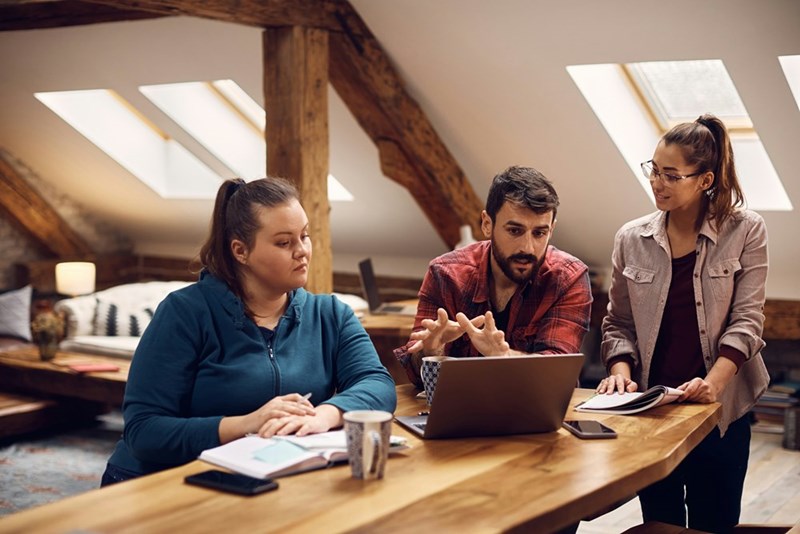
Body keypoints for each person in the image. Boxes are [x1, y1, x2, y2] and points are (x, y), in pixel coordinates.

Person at [101, 177, 397, 485]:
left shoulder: (331, 314)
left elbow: (377, 383)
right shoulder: (184, 313)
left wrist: (325, 415)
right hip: (158, 485)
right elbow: (143, 431)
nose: (302, 251)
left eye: (305, 236)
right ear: (241, 251)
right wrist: (246, 424)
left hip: (264, 482)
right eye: (284, 242)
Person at [599, 114, 770, 532]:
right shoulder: (630, 238)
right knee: (660, 523)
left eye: (672, 176)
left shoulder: (746, 230)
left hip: (720, 410)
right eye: (654, 171)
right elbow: (617, 323)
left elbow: (747, 320)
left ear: (705, 179)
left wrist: (713, 383)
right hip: (653, 413)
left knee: (714, 523)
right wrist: (620, 374)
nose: (657, 183)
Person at [394, 165, 593, 387]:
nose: (527, 247)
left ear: (551, 230)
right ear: (487, 224)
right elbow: (415, 375)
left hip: (536, 415)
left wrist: (504, 358)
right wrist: (432, 350)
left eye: (539, 233)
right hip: (461, 411)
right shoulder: (446, 274)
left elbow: (558, 372)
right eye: (515, 231)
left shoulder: (568, 278)